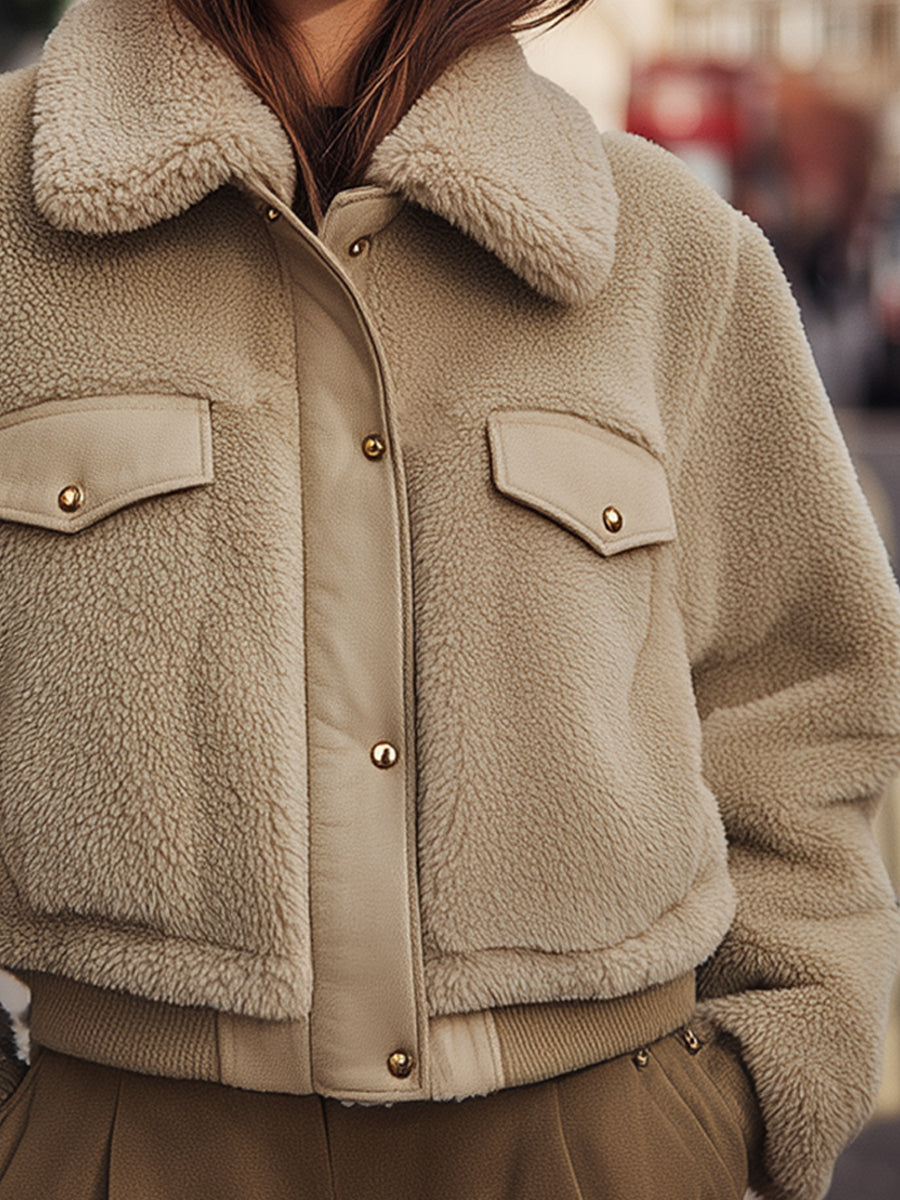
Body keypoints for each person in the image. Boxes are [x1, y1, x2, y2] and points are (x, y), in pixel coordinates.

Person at [0, 0, 898, 1196]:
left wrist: (750, 1091)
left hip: (601, 1147)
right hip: (116, 1147)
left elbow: (806, 701)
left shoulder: (672, 249)